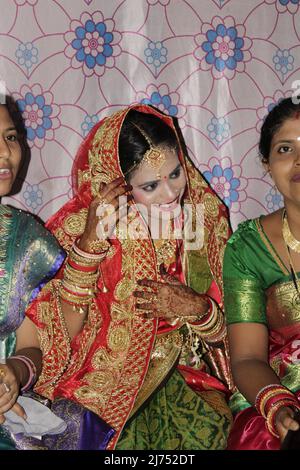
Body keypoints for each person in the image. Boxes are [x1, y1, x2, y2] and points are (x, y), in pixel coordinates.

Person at [24, 104, 233, 450]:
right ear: (115, 185)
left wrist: (200, 310)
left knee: (209, 435)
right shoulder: (82, 228)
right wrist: (89, 249)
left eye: (176, 173)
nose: (170, 194)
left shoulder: (204, 218)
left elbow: (235, 330)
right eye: (150, 185)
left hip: (187, 377)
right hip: (102, 384)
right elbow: (54, 333)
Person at [223, 97, 300, 450]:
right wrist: (279, 408)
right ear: (267, 164)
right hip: (283, 393)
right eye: (286, 148)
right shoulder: (248, 248)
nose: (299, 160)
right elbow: (248, 357)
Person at [0, 96, 66, 449]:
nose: (5, 152)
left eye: (10, 137)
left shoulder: (29, 242)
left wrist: (13, 374)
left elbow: (30, 345)